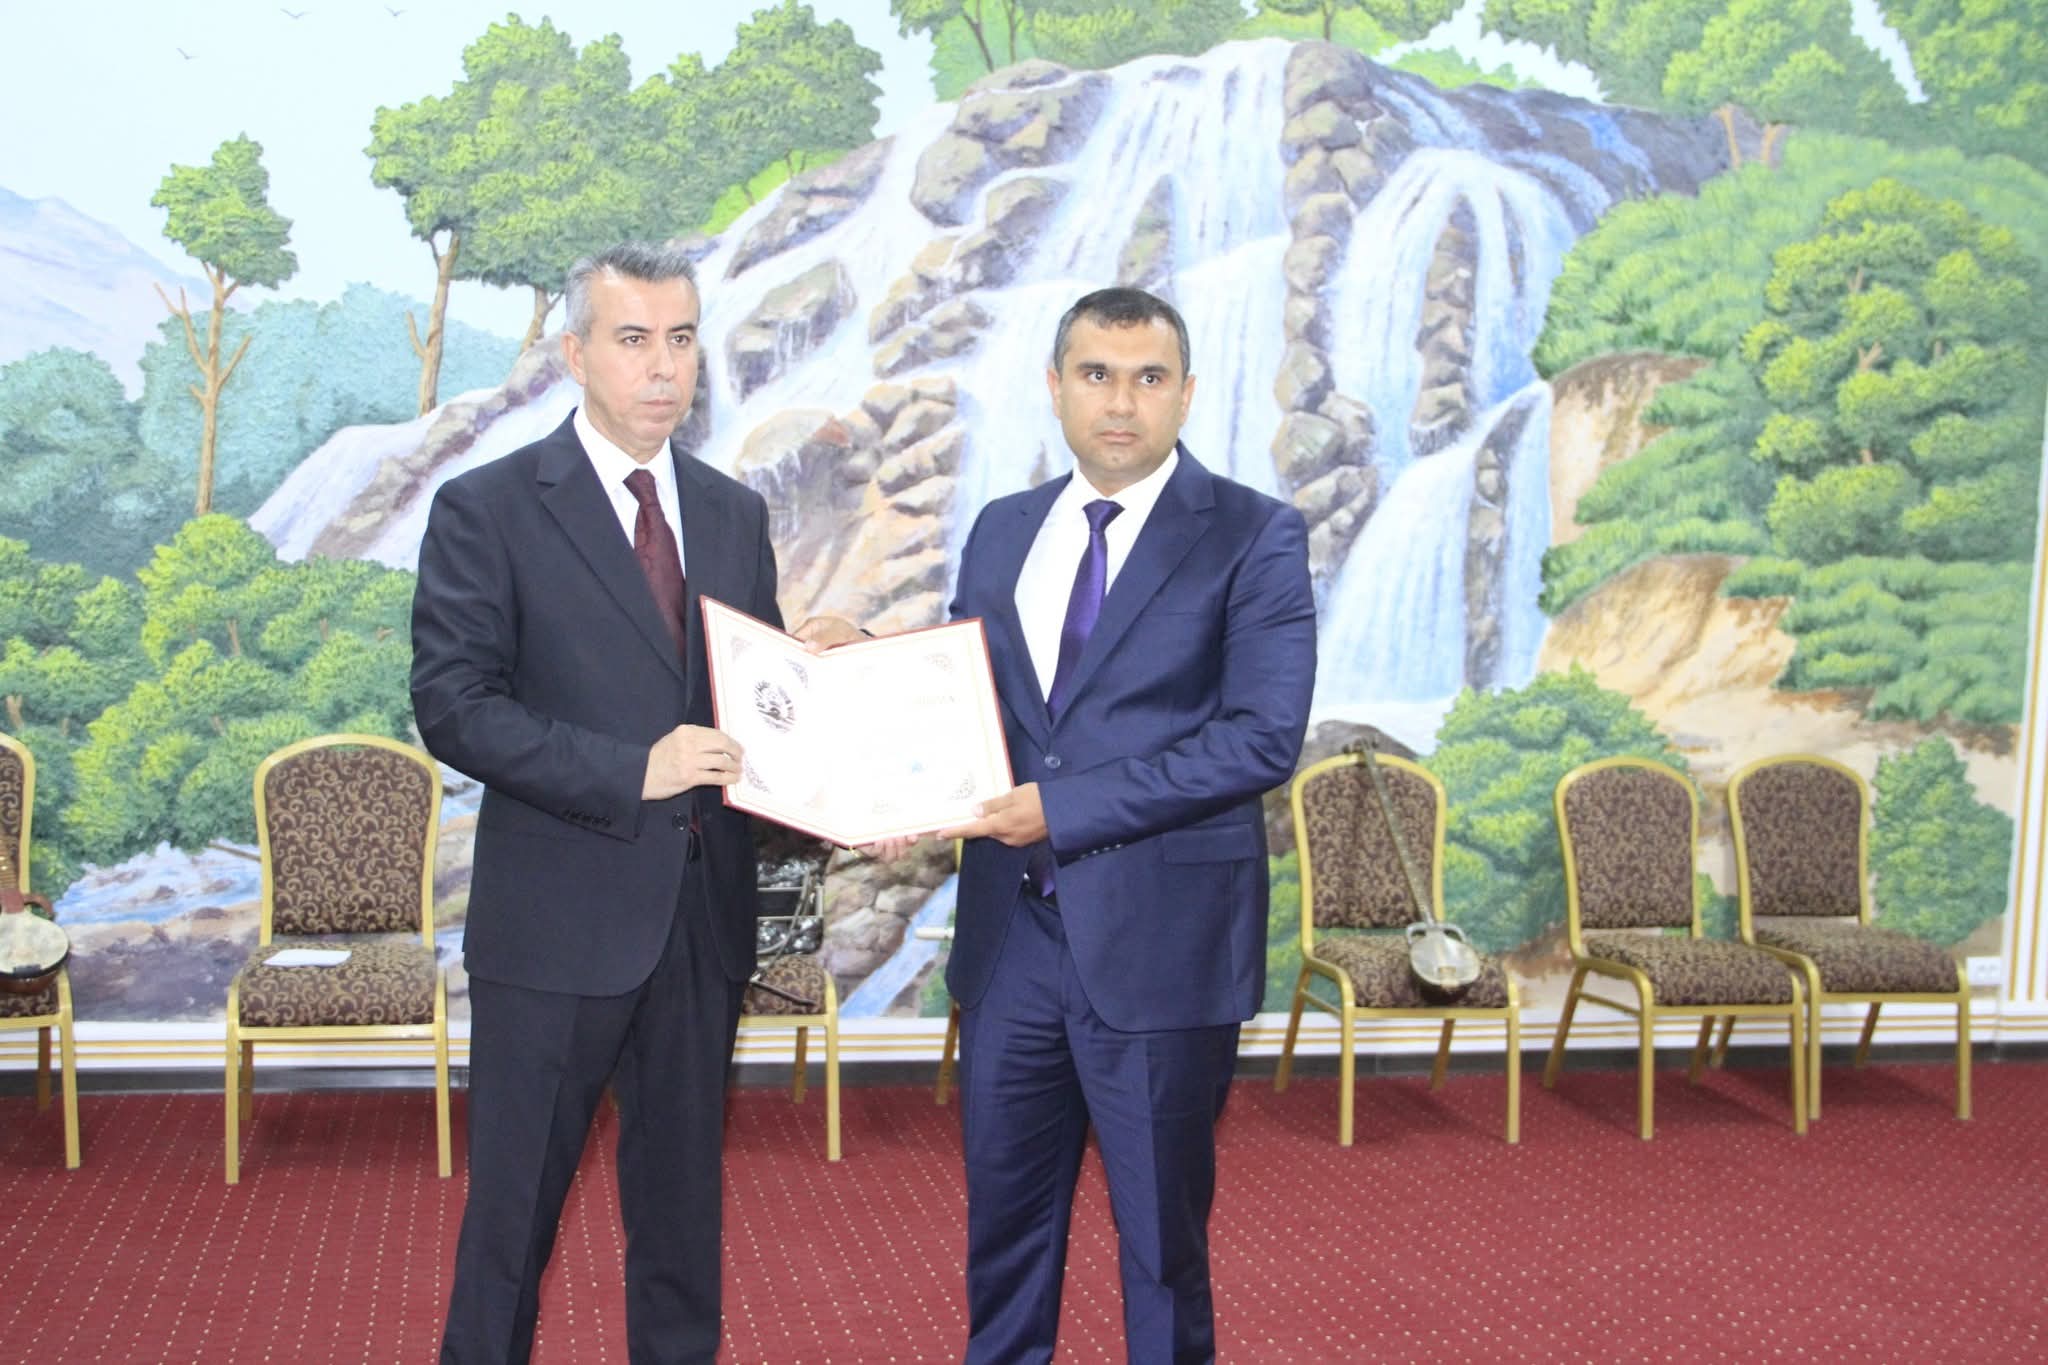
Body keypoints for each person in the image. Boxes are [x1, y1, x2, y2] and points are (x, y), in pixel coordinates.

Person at [410, 241, 850, 1364]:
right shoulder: (488, 507)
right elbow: (455, 706)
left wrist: (822, 690)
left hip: (702, 921)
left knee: (680, 1221)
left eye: (682, 339)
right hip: (557, 923)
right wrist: (628, 770)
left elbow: (742, 706)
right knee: (512, 1223)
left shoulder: (732, 513)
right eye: (633, 339)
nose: (663, 366)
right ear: (574, 353)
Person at [939, 286, 1317, 1362]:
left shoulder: (1252, 534)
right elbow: (965, 695)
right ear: (1055, 387)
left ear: (1185, 394)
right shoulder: (1002, 528)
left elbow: (1258, 740)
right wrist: (860, 668)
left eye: (1148, 378)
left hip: (1161, 947)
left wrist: (1059, 808)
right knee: (1003, 1236)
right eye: (1096, 375)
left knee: (1160, 1247)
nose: (1120, 402)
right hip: (1011, 942)